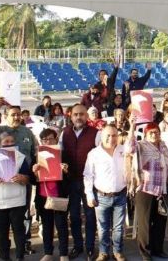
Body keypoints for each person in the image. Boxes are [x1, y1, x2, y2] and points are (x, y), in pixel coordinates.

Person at [0, 103, 39, 255]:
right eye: (13, 114)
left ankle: (25, 242)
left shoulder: (27, 132)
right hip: (3, 182)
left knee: (24, 213)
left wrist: (33, 172)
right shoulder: (1, 131)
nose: (17, 117)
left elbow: (34, 152)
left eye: (18, 114)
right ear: (6, 116)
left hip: (23, 178)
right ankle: (4, 247)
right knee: (4, 220)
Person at [0, 131, 31, 261]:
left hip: (17, 201)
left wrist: (22, 177)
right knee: (2, 232)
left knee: (19, 230)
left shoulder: (20, 157)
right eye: (6, 142)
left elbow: (28, 178)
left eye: (11, 141)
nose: (9, 144)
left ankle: (20, 256)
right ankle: (4, 256)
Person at [127, 122, 168, 261]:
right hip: (145, 189)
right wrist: (132, 127)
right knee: (145, 223)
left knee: (160, 221)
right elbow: (129, 148)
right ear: (146, 134)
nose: (154, 135)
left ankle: (158, 249)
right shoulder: (141, 145)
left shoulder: (164, 145)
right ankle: (145, 253)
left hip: (162, 189)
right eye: (151, 133)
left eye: (156, 132)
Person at [60, 104, 99, 259]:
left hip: (89, 181)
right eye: (76, 114)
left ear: (86, 116)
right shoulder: (65, 133)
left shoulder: (96, 133)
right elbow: (61, 154)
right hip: (71, 181)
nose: (78, 117)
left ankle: (90, 247)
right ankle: (77, 246)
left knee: (90, 215)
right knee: (74, 216)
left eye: (82, 114)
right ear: (71, 116)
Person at [84, 125, 128, 261]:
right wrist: (89, 195)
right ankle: (103, 252)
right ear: (101, 137)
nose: (111, 138)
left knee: (118, 227)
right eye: (108, 135)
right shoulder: (94, 153)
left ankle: (117, 251)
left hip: (120, 194)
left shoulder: (124, 150)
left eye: (114, 135)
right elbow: (88, 175)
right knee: (102, 228)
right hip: (101, 196)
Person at [32, 128, 70, 261]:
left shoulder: (62, 155)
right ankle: (48, 252)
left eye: (51, 138)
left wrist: (65, 171)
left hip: (59, 195)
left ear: (56, 139)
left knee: (61, 225)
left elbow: (71, 177)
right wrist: (35, 172)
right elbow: (32, 181)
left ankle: (63, 253)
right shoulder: (37, 155)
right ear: (41, 141)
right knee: (47, 226)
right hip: (43, 196)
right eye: (44, 139)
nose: (48, 141)